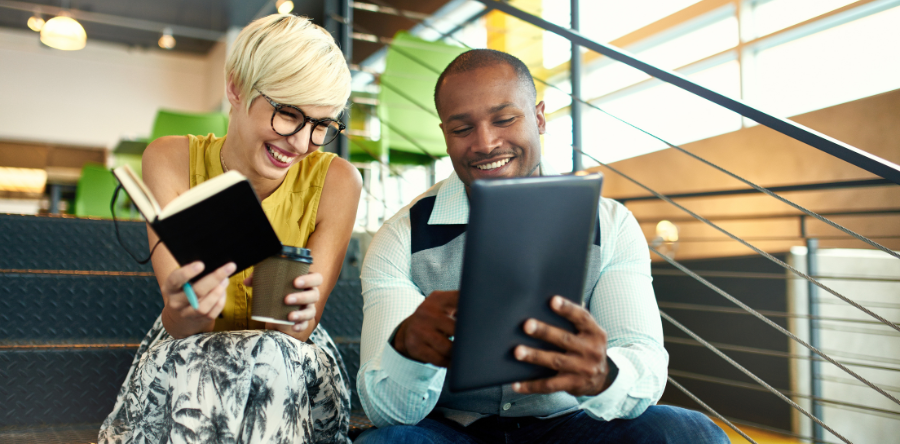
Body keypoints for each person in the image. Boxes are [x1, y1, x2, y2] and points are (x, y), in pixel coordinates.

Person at [355, 49, 728, 443]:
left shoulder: (610, 224)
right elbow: (386, 411)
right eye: (462, 129)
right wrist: (407, 351)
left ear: (539, 117)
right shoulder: (401, 236)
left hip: (571, 423)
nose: (485, 143)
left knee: (689, 434)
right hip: (453, 430)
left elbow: (643, 360)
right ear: (445, 134)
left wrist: (604, 375)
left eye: (504, 119)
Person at [99, 14, 362, 444]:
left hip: (287, 356)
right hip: (191, 351)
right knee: (207, 369)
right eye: (288, 114)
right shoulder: (169, 159)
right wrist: (184, 310)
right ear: (236, 87)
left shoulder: (338, 181)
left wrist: (294, 310)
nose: (300, 143)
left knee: (271, 357)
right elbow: (183, 323)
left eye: (321, 126)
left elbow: (297, 334)